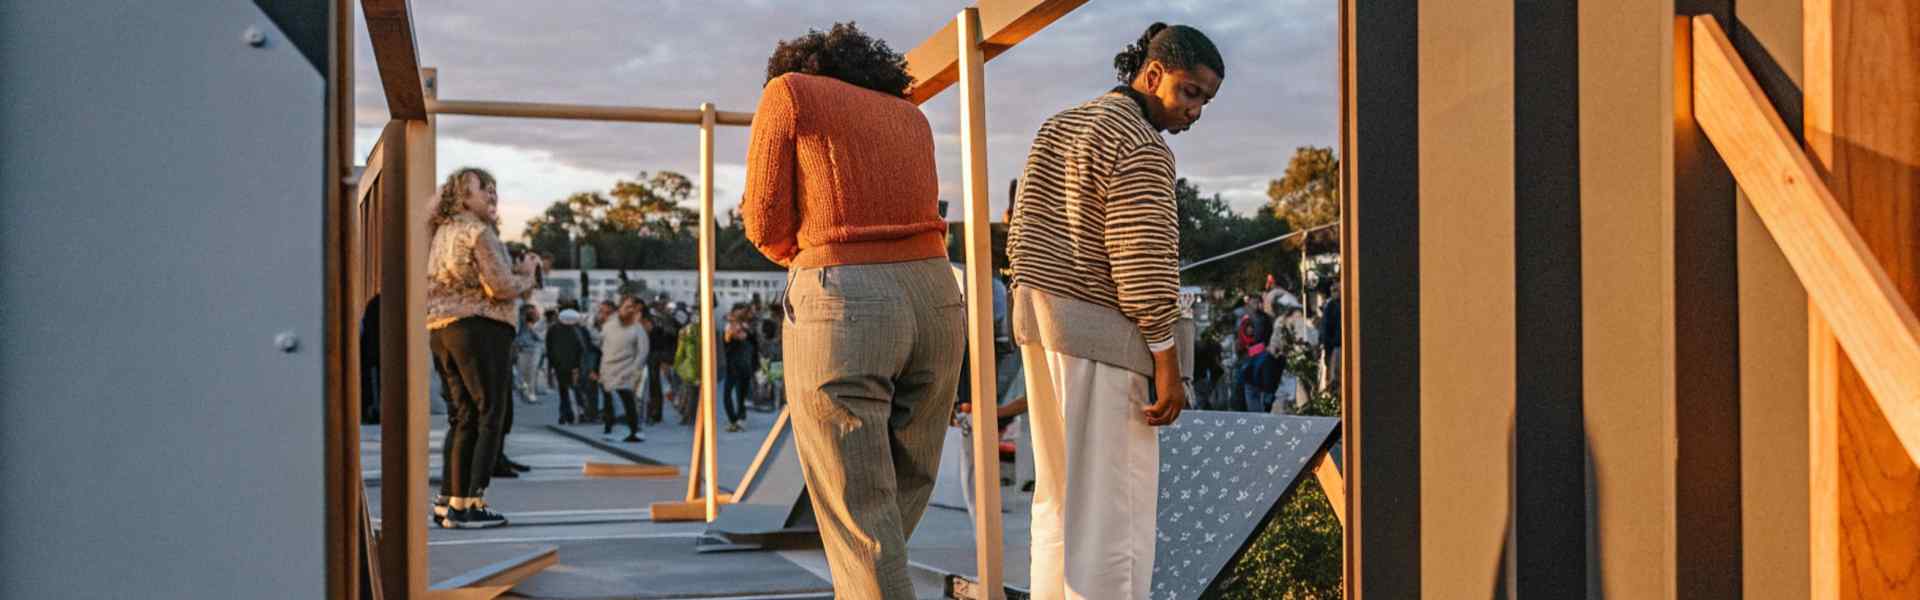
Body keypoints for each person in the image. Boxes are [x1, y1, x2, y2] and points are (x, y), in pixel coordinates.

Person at [740, 22, 964, 599]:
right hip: (937, 294)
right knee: (902, 481)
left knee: (856, 507)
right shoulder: (908, 114)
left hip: (847, 296)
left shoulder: (789, 92)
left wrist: (811, 256)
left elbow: (764, 218)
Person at [1006, 22, 1222, 599]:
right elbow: (1143, 262)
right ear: (1152, 74)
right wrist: (1168, 364)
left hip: (1043, 331)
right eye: (1190, 92)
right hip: (1102, 343)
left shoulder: (1058, 126)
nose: (1195, 112)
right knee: (1112, 523)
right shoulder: (1142, 145)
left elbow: (1021, 236)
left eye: (1205, 100)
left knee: (1057, 503)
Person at [425, 166, 538, 529]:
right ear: (462, 196)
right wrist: (528, 274)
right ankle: (470, 501)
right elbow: (501, 287)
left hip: (442, 328)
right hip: (480, 327)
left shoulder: (443, 232)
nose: (491, 195)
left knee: (462, 416)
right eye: (482, 189)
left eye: (493, 188)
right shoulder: (478, 232)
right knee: (491, 413)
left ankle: (448, 500)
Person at [598, 295, 649, 442]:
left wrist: (634, 368)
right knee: (609, 402)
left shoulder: (637, 328)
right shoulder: (609, 326)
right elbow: (602, 346)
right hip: (609, 371)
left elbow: (643, 351)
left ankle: (633, 430)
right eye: (626, 307)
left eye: (632, 308)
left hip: (627, 372)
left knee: (628, 402)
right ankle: (609, 429)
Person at [545, 309, 590, 424]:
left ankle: (565, 414)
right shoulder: (579, 330)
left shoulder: (553, 329)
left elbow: (549, 349)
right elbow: (584, 348)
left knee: (563, 391)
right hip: (576, 367)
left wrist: (553, 366)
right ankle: (580, 413)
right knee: (577, 390)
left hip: (560, 366)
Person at [721, 304, 757, 432]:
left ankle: (739, 420)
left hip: (743, 367)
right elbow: (728, 338)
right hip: (732, 367)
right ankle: (734, 420)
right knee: (727, 395)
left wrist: (741, 329)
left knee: (740, 395)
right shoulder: (729, 329)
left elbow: (747, 338)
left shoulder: (746, 329)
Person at [512, 304, 544, 404]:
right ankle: (527, 394)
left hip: (532, 350)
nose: (536, 314)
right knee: (525, 374)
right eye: (533, 312)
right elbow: (518, 338)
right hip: (525, 351)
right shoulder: (521, 324)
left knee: (530, 374)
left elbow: (539, 338)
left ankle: (529, 394)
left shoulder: (533, 325)